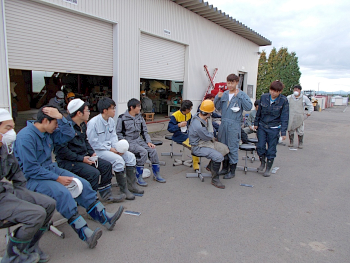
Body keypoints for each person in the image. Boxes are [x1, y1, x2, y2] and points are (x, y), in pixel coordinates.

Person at [14, 106, 124, 249]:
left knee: (82, 184)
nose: (57, 127)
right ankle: (85, 233)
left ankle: (105, 218)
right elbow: (31, 169)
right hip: (33, 178)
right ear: (46, 121)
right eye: (55, 123)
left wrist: (60, 118)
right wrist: (57, 178)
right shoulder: (25, 137)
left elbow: (68, 134)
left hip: (49, 170)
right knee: (63, 193)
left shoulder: (48, 132)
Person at [0, 109, 56, 263]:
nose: (11, 132)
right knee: (36, 213)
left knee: (49, 204)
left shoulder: (4, 147)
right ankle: (12, 256)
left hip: (5, 192)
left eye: (12, 127)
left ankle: (31, 246)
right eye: (7, 128)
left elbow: (16, 173)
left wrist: (25, 195)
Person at [54, 99, 126, 203]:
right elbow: (62, 151)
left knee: (106, 166)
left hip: (83, 157)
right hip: (70, 161)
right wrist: (82, 159)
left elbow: (86, 141)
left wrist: (92, 153)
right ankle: (90, 201)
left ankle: (106, 194)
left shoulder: (82, 124)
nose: (89, 113)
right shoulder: (65, 128)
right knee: (93, 173)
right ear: (79, 113)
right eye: (87, 110)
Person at [87, 98, 144, 198]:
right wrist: (110, 149)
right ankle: (123, 190)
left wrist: (117, 149)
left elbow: (113, 137)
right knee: (118, 161)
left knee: (130, 157)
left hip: (111, 149)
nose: (114, 111)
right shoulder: (93, 123)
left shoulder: (111, 121)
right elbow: (93, 143)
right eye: (112, 108)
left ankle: (131, 185)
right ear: (105, 110)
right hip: (99, 151)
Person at [116, 98, 166, 186]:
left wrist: (148, 142)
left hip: (138, 140)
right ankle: (138, 176)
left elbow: (144, 132)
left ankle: (156, 174)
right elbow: (118, 133)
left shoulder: (140, 117)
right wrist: (124, 143)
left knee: (152, 150)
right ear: (132, 107)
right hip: (129, 141)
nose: (140, 108)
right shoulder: (122, 118)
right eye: (138, 106)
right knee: (143, 152)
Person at [214, 74, 253, 179]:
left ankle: (232, 170)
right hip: (223, 124)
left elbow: (249, 107)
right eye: (228, 83)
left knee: (232, 147)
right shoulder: (224, 94)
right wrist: (217, 97)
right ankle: (224, 168)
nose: (230, 85)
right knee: (223, 147)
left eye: (232, 83)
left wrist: (239, 96)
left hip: (234, 125)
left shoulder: (242, 94)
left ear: (237, 82)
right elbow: (217, 107)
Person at [188, 100, 229, 189]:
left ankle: (210, 167)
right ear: (208, 113)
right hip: (198, 146)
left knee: (224, 149)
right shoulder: (199, 126)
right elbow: (209, 136)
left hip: (205, 142)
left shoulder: (198, 115)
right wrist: (210, 126)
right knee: (218, 156)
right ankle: (215, 179)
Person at [253, 80, 289, 177]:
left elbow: (285, 117)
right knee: (260, 146)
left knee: (271, 149)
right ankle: (262, 162)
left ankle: (268, 168)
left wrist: (283, 132)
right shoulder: (264, 97)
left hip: (274, 127)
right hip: (262, 126)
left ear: (280, 92)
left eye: (275, 91)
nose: (273, 93)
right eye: (271, 90)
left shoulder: (284, 101)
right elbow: (259, 112)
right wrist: (256, 123)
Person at [167, 100, 200, 171]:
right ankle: (195, 163)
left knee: (197, 140)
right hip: (178, 135)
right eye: (190, 108)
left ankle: (196, 159)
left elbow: (192, 124)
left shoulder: (189, 114)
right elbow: (169, 129)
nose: (191, 110)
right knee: (193, 143)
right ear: (186, 109)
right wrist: (178, 125)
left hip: (187, 134)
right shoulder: (175, 115)